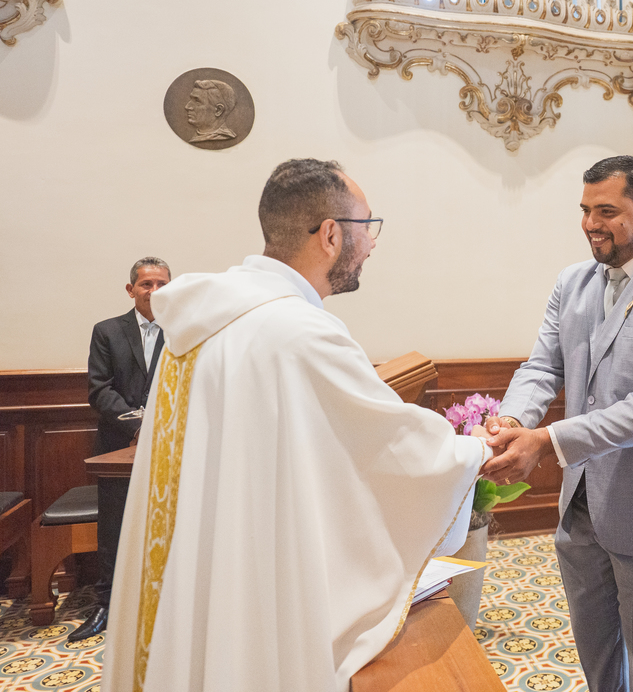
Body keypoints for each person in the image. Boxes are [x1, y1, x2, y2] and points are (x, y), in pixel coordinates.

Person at [102, 159, 490, 692]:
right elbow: (397, 454)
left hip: (194, 579)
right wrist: (474, 451)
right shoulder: (299, 333)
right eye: (367, 226)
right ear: (331, 234)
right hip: (256, 584)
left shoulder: (201, 323)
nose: (372, 243)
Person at [481, 156, 633, 692]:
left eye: (607, 211)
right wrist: (510, 419)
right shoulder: (573, 282)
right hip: (580, 506)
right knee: (598, 665)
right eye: (586, 209)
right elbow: (541, 365)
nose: (591, 222)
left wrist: (545, 439)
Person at [77, 257, 172, 642]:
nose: (155, 292)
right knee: (114, 526)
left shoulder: (185, 331)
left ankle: (167, 603)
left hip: (171, 446)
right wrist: (138, 424)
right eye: (147, 284)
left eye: (163, 284)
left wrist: (162, 427)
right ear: (131, 290)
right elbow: (99, 389)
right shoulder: (107, 331)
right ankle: (107, 604)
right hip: (118, 447)